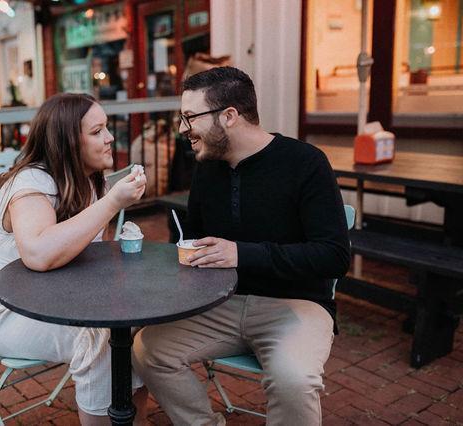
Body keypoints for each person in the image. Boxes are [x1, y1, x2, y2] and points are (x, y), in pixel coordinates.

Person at [132, 67, 351, 425]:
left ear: (229, 116)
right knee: (146, 349)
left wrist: (241, 252)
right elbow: (194, 237)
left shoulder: (306, 163)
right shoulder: (206, 168)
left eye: (189, 117)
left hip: (296, 305)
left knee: (294, 379)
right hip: (221, 302)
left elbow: (334, 256)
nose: (183, 128)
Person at [0, 93, 148, 425]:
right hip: (1, 310)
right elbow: (39, 254)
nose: (109, 139)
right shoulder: (31, 183)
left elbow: (84, 253)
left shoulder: (90, 179)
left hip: (52, 299)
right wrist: (112, 203)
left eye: (106, 128)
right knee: (94, 337)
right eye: (97, 131)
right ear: (67, 142)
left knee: (133, 328)